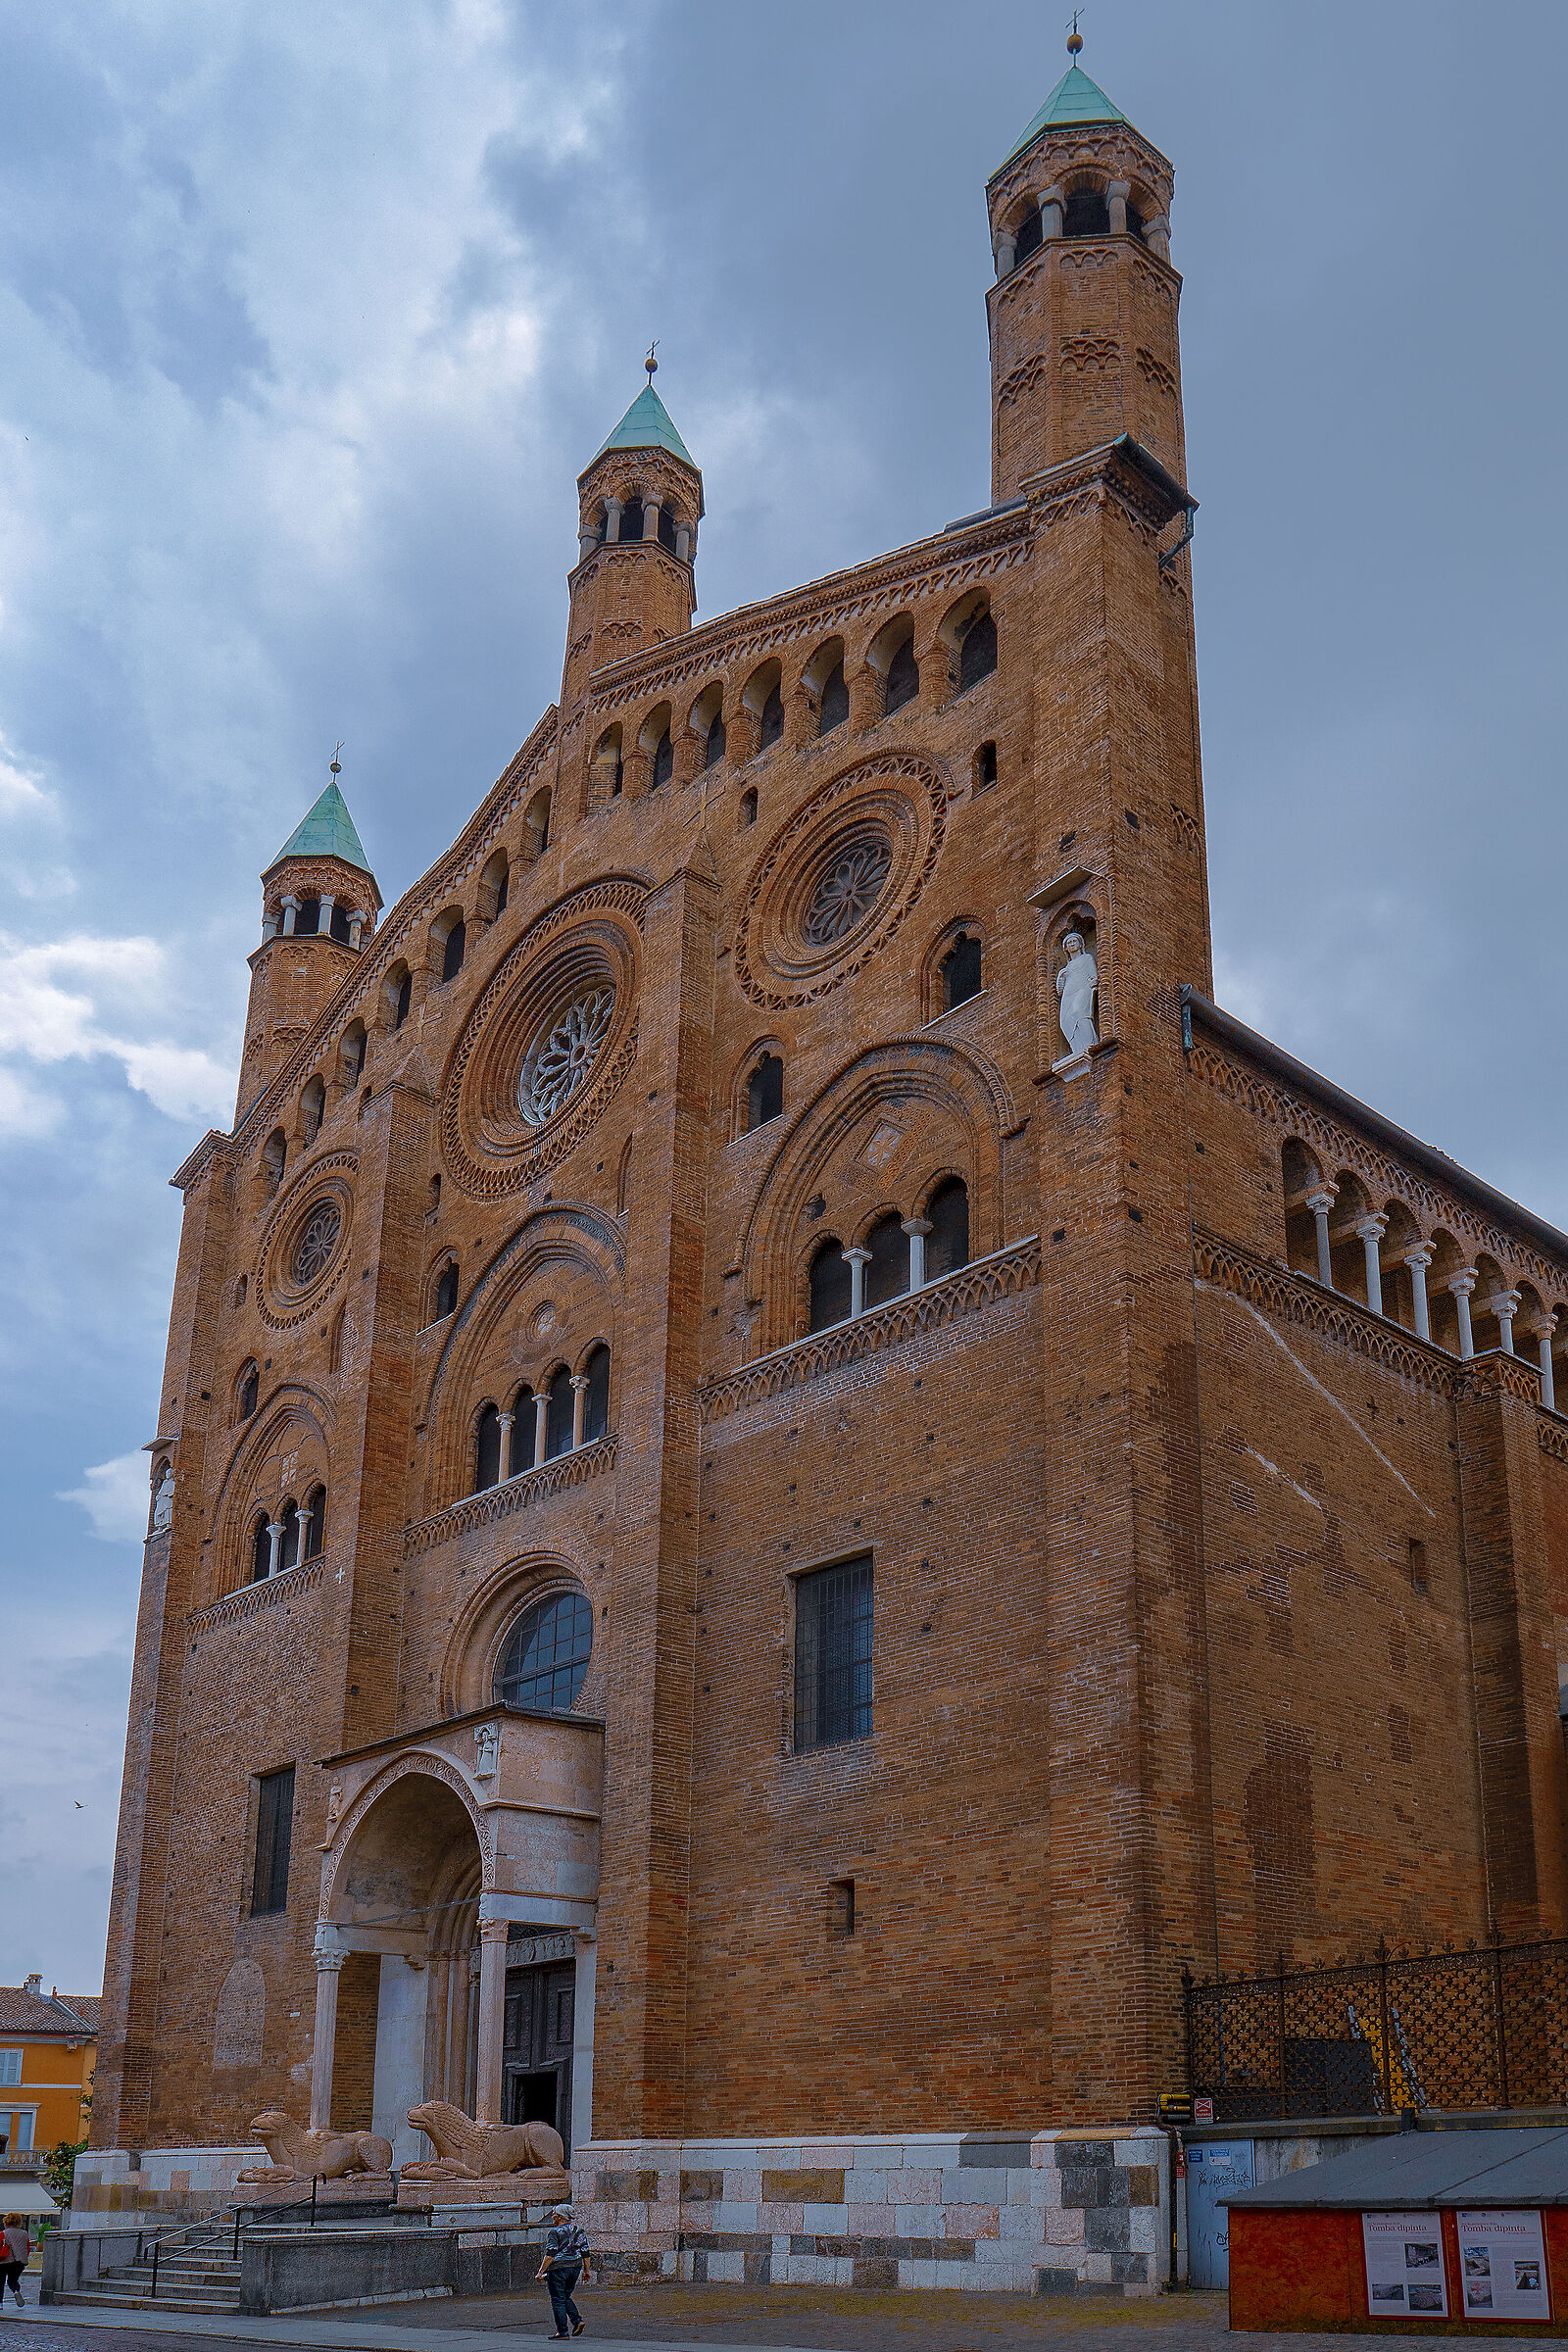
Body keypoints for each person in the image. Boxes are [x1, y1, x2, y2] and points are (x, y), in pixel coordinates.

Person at [535, 2201, 590, 2338]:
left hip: (558, 2268)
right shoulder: (579, 2231)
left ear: (560, 2216)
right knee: (565, 2296)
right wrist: (586, 2271)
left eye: (554, 2214)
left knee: (557, 2299)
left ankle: (562, 2331)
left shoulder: (555, 2232)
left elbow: (550, 2254)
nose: (552, 2216)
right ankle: (577, 2320)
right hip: (575, 2267)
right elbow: (585, 2252)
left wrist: (541, 2272)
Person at [1, 2215, 29, 2309]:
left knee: (1, 2282)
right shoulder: (24, 2234)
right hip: (19, 2262)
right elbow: (27, 2248)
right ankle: (16, 2291)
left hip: (4, 2261)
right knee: (12, 2281)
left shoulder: (3, 2233)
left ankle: (0, 2304)